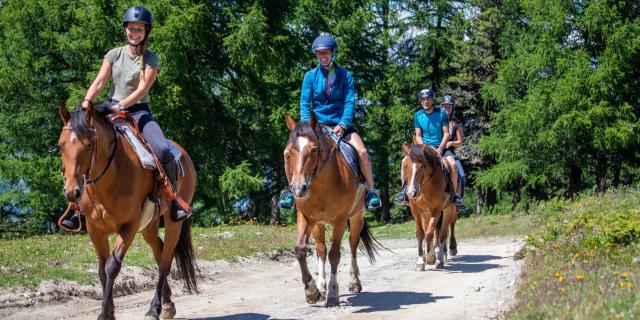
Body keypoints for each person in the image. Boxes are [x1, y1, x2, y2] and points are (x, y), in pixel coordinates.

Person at [62, 6, 187, 230]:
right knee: (81, 147)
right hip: (109, 109)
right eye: (131, 28)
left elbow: (142, 89)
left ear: (146, 32)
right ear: (125, 30)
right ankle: (76, 207)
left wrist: (121, 105)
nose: (134, 33)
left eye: (139, 29)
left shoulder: (151, 58)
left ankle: (173, 198)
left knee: (162, 149)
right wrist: (86, 102)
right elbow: (100, 81)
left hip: (138, 112)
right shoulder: (114, 54)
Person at [278, 34, 382, 211]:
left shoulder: (345, 76)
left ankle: (371, 191)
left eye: (326, 53)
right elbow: (305, 102)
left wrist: (342, 124)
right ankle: (291, 192)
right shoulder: (310, 76)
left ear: (333, 53)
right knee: (288, 151)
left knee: (363, 151)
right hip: (315, 127)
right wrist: (307, 126)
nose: (323, 56)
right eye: (319, 54)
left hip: (341, 126)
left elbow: (349, 102)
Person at [393, 89, 465, 208]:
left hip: (441, 147)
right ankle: (404, 192)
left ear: (432, 100)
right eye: (423, 99)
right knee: (404, 161)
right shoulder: (418, 115)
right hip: (424, 147)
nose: (425, 101)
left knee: (452, 164)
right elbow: (418, 135)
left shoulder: (441, 113)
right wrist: (424, 147)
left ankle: (454, 195)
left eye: (428, 99)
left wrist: (441, 148)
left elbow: (446, 133)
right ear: (420, 101)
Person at [441, 95, 466, 206]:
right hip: (436, 149)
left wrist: (451, 143)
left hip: (449, 151)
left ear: (452, 108)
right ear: (441, 107)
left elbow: (460, 141)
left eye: (449, 107)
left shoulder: (456, 122)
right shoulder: (437, 120)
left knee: (462, 175)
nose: (447, 109)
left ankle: (457, 198)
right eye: (445, 107)